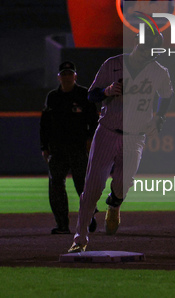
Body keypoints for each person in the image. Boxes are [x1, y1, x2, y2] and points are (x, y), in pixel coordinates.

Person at [68, 32, 173, 253]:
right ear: (136, 43)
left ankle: (114, 204)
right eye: (145, 49)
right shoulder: (113, 64)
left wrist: (160, 117)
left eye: (152, 51)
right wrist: (107, 91)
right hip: (107, 131)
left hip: (135, 136)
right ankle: (80, 238)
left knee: (123, 184)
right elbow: (91, 95)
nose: (147, 55)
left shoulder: (158, 71)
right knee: (92, 187)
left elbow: (167, 94)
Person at [40, 61, 99, 234]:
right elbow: (44, 124)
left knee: (82, 185)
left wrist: (90, 140)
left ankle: (89, 218)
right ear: (59, 77)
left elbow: (94, 121)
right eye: (63, 74)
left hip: (78, 147)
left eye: (69, 73)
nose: (66, 77)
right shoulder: (53, 97)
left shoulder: (83, 94)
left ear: (75, 76)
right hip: (57, 149)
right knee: (56, 185)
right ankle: (62, 225)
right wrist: (44, 146)